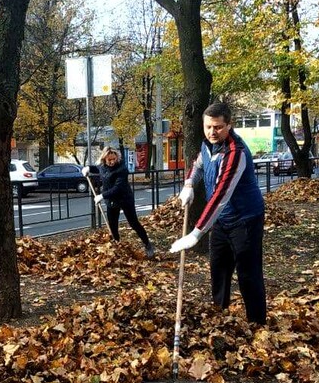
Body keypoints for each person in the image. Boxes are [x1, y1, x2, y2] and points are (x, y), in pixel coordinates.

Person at [169, 100, 267, 325]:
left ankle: (257, 323)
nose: (212, 132)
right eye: (208, 127)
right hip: (222, 220)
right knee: (219, 270)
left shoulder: (235, 153)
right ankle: (219, 317)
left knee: (248, 274)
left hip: (245, 219)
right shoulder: (207, 144)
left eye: (218, 127)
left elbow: (222, 195)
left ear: (229, 125)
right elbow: (199, 164)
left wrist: (196, 233)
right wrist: (189, 184)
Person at [84, 147, 155, 259]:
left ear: (117, 157)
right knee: (113, 226)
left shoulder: (122, 169)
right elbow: (97, 168)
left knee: (134, 223)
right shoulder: (102, 166)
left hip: (125, 199)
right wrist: (88, 168)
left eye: (114, 159)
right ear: (104, 159)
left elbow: (118, 188)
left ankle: (147, 244)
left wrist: (102, 196)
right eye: (109, 160)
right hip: (111, 201)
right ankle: (117, 248)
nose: (112, 162)